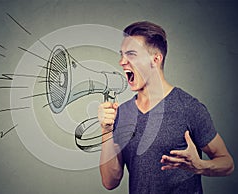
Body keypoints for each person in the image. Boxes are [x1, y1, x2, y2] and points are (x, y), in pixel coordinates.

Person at [98, 21, 234, 194]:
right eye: (122, 55)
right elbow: (110, 182)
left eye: (131, 54)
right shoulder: (122, 113)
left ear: (155, 59)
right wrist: (106, 130)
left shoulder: (188, 107)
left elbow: (227, 164)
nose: (122, 61)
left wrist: (200, 166)